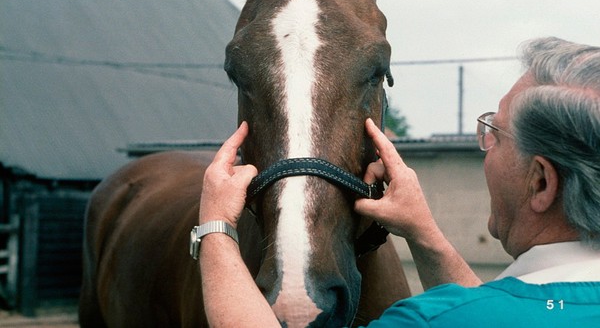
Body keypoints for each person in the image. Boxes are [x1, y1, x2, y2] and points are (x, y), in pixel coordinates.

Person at [197, 37, 600, 327]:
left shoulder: (428, 321)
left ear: (542, 183)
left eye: (495, 132)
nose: (487, 144)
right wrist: (424, 233)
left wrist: (215, 228)